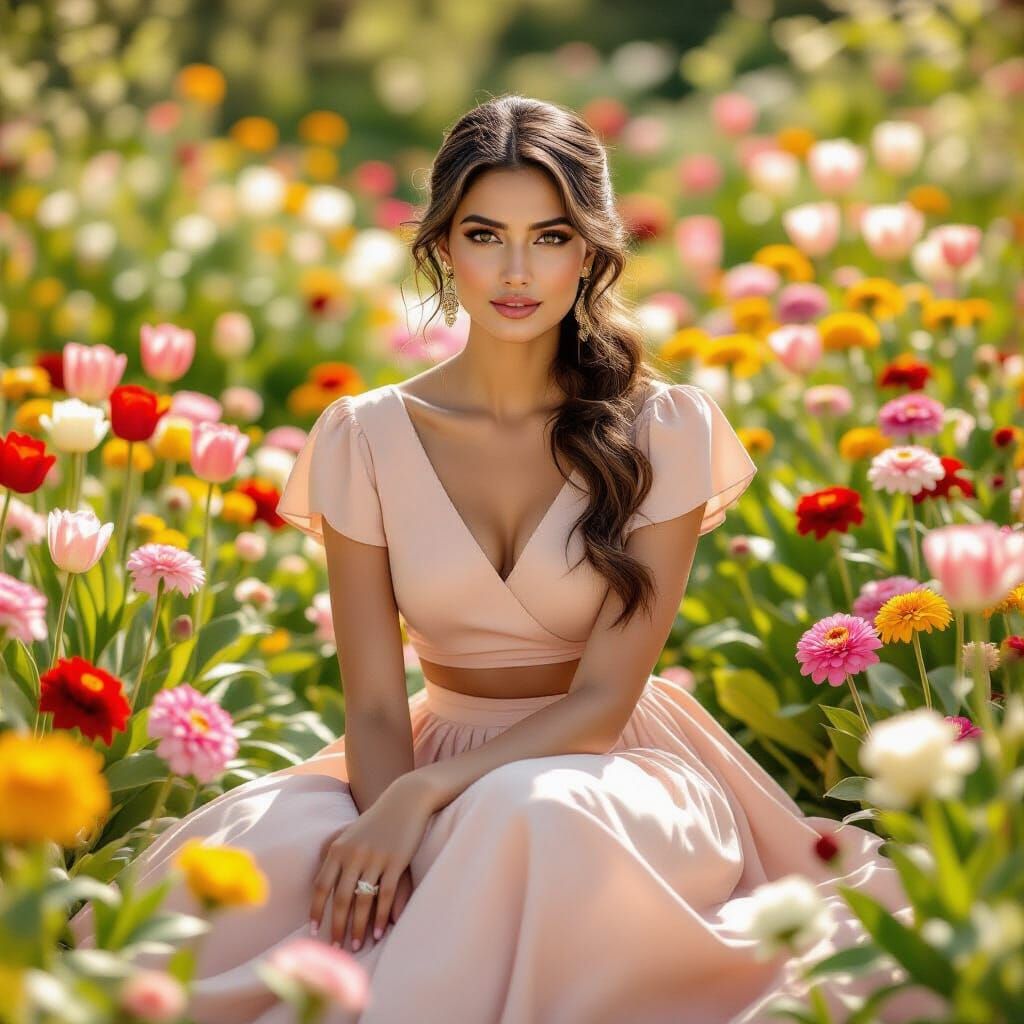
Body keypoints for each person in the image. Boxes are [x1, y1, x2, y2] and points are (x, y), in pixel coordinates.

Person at [71, 95, 938, 1024]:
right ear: (444, 245)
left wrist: (423, 800)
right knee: (278, 851)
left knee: (529, 812)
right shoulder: (366, 434)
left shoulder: (664, 427)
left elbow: (603, 706)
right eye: (486, 235)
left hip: (607, 767)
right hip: (424, 747)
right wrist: (392, 804)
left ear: (593, 251)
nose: (516, 271)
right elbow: (370, 702)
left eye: (550, 236)